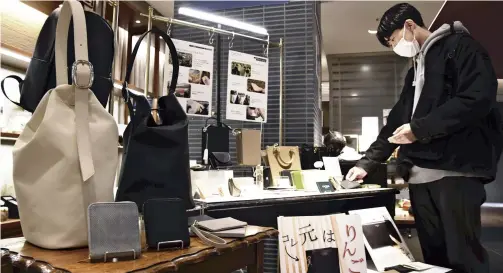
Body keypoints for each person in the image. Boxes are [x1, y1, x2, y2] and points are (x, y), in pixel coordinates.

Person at [345, 3, 502, 273]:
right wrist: (365, 164)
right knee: (431, 260)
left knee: (464, 258)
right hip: (420, 178)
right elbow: (395, 122)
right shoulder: (415, 70)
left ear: (409, 25)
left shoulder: (462, 47)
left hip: (456, 172)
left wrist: (419, 129)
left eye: (393, 40)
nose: (395, 47)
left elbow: (477, 98)